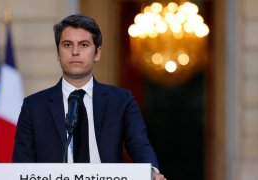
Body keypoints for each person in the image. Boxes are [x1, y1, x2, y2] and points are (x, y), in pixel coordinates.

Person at [13, 14, 166, 180]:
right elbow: (22, 163)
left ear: (97, 53)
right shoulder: (34, 106)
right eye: (67, 44)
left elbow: (139, 144)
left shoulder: (121, 100)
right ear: (58, 53)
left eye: (84, 44)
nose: (75, 52)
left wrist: (151, 172)